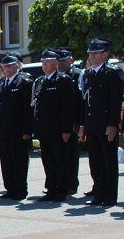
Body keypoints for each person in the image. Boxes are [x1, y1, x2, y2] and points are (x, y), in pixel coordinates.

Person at [79, 37, 123, 207]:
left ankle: (110, 195)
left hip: (106, 125)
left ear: (105, 54)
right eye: (91, 53)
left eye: (97, 53)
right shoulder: (88, 74)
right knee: (95, 161)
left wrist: (113, 124)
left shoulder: (113, 73)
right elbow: (86, 101)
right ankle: (99, 192)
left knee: (108, 161)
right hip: (92, 124)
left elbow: (116, 101)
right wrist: (83, 125)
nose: (93, 56)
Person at [32, 49, 77, 202]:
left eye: (48, 62)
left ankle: (61, 190)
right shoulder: (40, 81)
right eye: (43, 62)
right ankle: (51, 189)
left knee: (61, 161)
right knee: (48, 161)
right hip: (45, 130)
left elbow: (68, 107)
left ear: (56, 63)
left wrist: (66, 129)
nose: (44, 65)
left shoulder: (63, 80)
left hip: (58, 130)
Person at [0, 52, 33, 200]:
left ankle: (20, 189)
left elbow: (28, 109)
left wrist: (27, 130)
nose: (7, 68)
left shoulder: (24, 82)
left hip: (19, 130)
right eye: (5, 65)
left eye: (10, 65)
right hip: (4, 129)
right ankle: (10, 188)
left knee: (19, 161)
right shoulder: (2, 83)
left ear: (17, 65)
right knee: (6, 160)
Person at [57, 48, 82, 195]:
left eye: (64, 60)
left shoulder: (77, 75)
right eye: (59, 61)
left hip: (72, 121)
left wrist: (78, 122)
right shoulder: (57, 76)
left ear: (71, 60)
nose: (61, 63)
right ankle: (61, 182)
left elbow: (79, 101)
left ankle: (72, 183)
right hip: (58, 122)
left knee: (71, 154)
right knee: (60, 155)